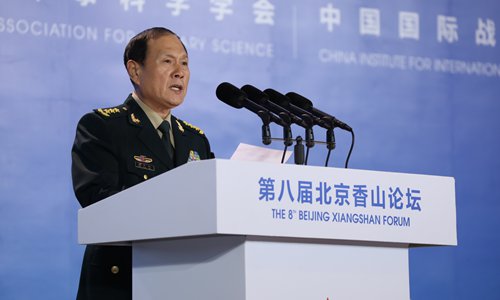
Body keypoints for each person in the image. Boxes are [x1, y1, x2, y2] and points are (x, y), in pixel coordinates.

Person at [71, 27, 214, 299]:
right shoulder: (103, 126)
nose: (179, 72)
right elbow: (98, 201)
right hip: (121, 280)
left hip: (186, 278)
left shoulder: (196, 140)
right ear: (135, 71)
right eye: (167, 61)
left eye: (184, 62)